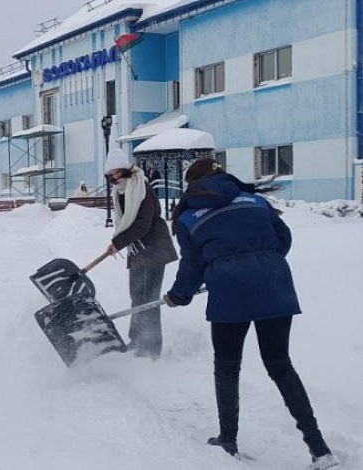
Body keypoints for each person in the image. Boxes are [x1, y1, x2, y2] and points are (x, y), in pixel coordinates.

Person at [163, 159, 340, 469]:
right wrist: (259, 264)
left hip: (231, 294)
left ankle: (228, 440)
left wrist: (180, 295)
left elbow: (192, 266)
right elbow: (282, 240)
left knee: (228, 367)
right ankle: (320, 449)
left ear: (192, 184)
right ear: (220, 175)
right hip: (274, 285)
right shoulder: (256, 200)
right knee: (280, 365)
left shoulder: (189, 216)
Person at [103, 148, 178, 359]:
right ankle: (137, 340)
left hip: (154, 248)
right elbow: (127, 224)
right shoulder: (121, 191)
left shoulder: (141, 188)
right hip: (137, 250)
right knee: (137, 296)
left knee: (149, 298)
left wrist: (117, 243)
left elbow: (143, 225)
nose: (115, 176)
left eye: (118, 171)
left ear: (126, 169)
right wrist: (119, 243)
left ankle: (152, 347)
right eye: (111, 173)